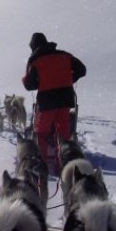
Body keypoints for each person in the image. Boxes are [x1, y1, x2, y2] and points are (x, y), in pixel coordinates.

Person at [22, 32, 86, 175]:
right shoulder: (64, 55)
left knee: (41, 133)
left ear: (33, 47)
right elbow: (82, 70)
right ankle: (62, 165)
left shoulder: (35, 59)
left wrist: (39, 82)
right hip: (65, 99)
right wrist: (70, 79)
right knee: (62, 133)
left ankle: (43, 166)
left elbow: (28, 84)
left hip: (47, 100)